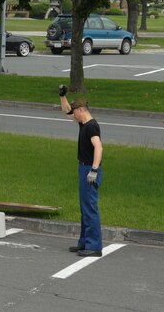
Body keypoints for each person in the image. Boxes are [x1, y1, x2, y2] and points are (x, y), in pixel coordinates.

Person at [59, 85, 104, 257]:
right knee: (85, 207)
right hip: (83, 167)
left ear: (81, 110)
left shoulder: (91, 127)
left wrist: (93, 170)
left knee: (90, 208)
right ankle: (85, 242)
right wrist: (62, 96)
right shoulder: (83, 123)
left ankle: (94, 246)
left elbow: (98, 147)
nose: (73, 115)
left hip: (89, 169)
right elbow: (66, 112)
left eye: (75, 112)